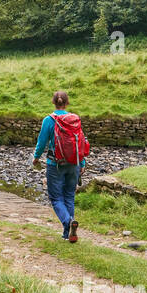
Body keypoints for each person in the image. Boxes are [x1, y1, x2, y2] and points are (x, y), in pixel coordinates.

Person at [31, 90, 89, 241]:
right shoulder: (74, 120)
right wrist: (81, 162)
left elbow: (42, 142)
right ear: (67, 103)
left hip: (55, 164)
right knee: (69, 196)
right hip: (74, 164)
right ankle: (67, 233)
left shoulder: (49, 120)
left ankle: (68, 223)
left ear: (53, 102)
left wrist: (36, 157)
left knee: (56, 198)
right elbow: (80, 142)